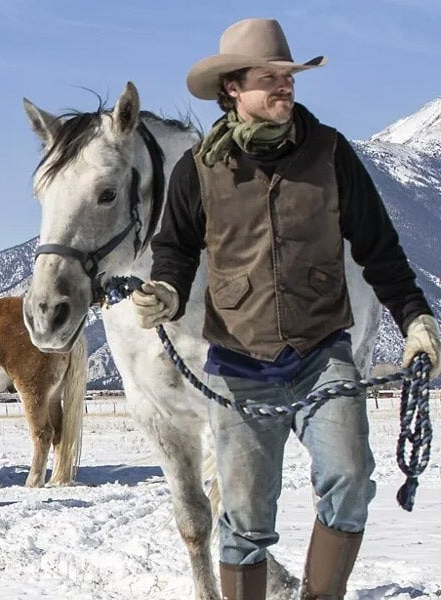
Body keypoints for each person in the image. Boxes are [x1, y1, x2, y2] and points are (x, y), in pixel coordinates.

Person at [132, 17, 440, 600]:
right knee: (245, 518)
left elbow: (379, 248)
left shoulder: (331, 154)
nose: (284, 87)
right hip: (241, 365)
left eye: (288, 76)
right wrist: (167, 294)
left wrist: (416, 318)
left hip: (323, 353)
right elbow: (174, 251)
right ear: (232, 89)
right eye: (268, 78)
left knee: (350, 482)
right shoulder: (197, 170)